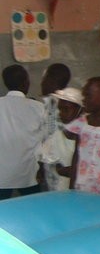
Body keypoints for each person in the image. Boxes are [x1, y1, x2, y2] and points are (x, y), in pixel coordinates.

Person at [65, 77, 100, 197]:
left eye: (88, 96)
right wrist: (71, 186)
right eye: (83, 95)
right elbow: (76, 155)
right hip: (82, 184)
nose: (84, 99)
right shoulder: (81, 123)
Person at [0, 65, 45, 200]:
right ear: (26, 82)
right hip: (29, 173)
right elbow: (48, 139)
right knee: (35, 207)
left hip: (2, 174)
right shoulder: (39, 108)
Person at [39, 87, 83, 191]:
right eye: (60, 109)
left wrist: (69, 171)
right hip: (59, 191)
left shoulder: (88, 137)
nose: (61, 113)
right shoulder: (56, 136)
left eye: (66, 109)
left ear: (80, 110)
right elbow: (44, 159)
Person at [40, 63, 71, 139]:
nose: (41, 83)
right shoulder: (70, 105)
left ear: (50, 81)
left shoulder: (48, 104)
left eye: (43, 79)